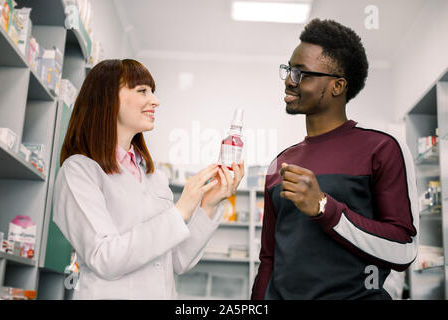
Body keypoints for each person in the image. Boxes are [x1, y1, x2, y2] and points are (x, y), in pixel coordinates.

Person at [251, 19, 419, 300]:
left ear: (337, 86)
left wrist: (324, 207)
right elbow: (268, 259)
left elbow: (403, 250)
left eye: (301, 73)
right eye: (288, 70)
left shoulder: (381, 148)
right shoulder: (279, 163)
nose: (289, 80)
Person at [53, 59, 244, 300]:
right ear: (108, 97)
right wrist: (181, 209)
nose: (155, 101)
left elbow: (177, 261)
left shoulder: (153, 176)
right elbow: (104, 257)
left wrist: (208, 205)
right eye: (142, 90)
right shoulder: (79, 171)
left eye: (152, 91)